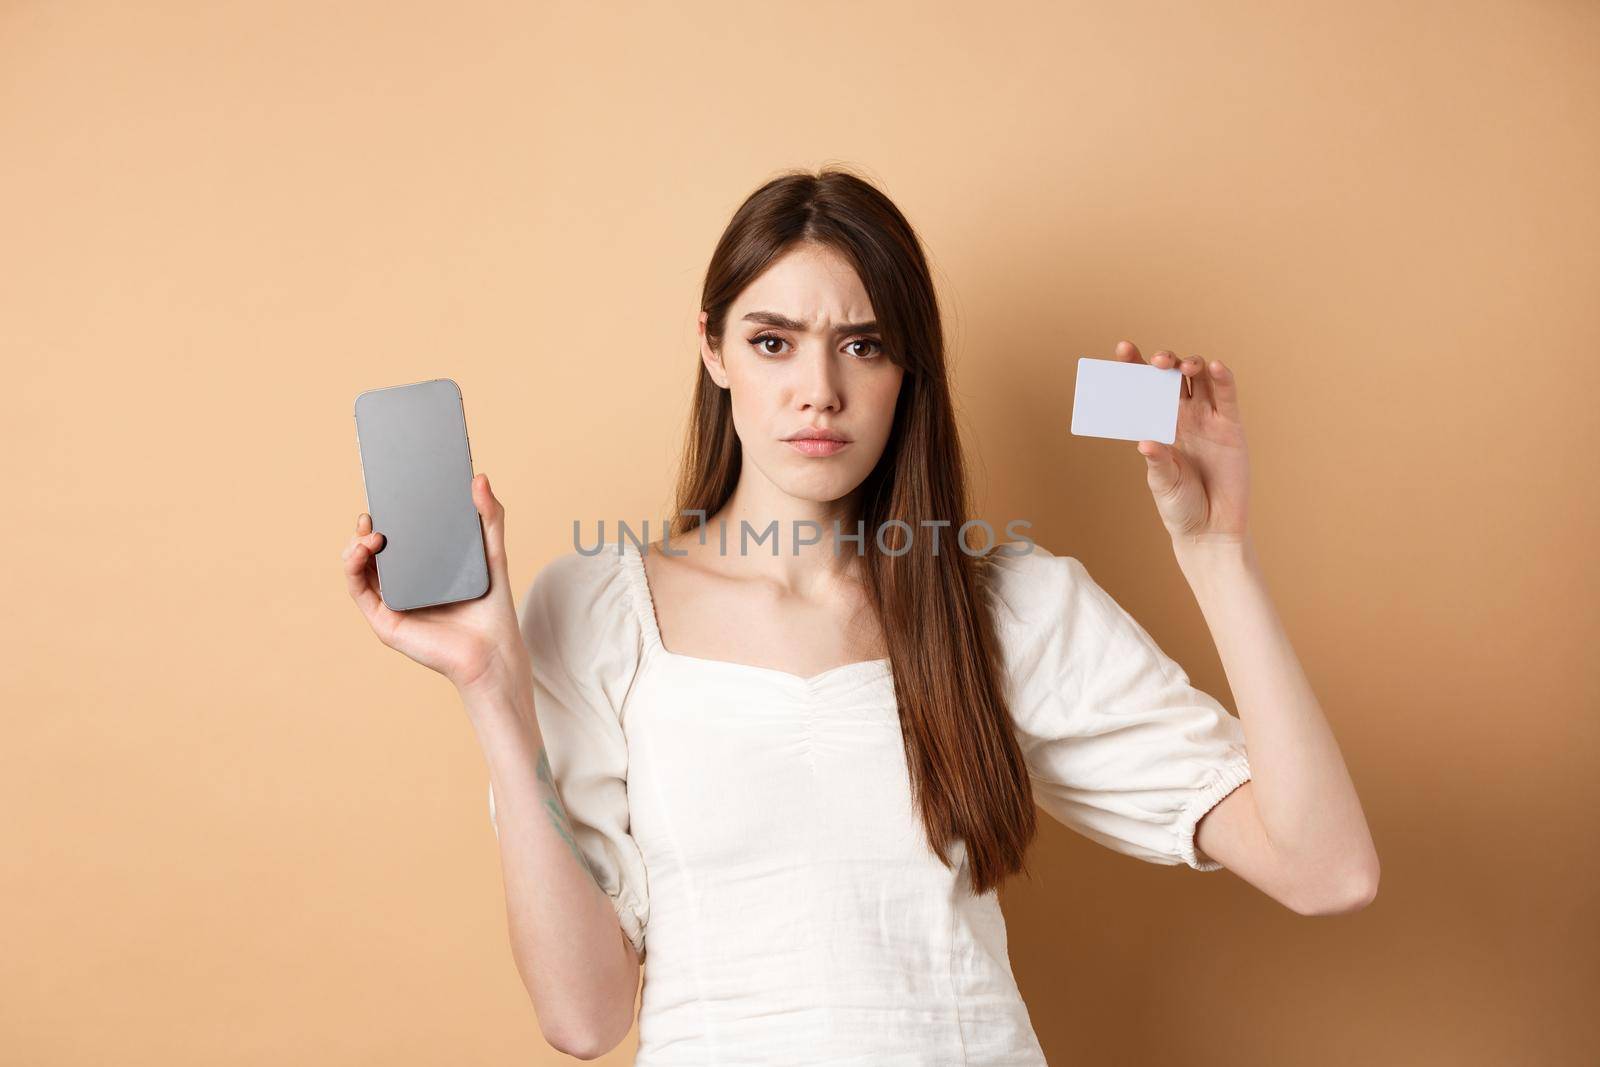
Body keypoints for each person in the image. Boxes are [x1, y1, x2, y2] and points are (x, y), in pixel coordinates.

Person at [340, 166, 1379, 1063]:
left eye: (865, 345)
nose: (819, 390)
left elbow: (1324, 867)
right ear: (713, 351)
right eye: (774, 340)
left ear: (907, 368)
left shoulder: (1004, 603)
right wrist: (492, 689)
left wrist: (1216, 551)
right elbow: (582, 1013)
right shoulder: (596, 609)